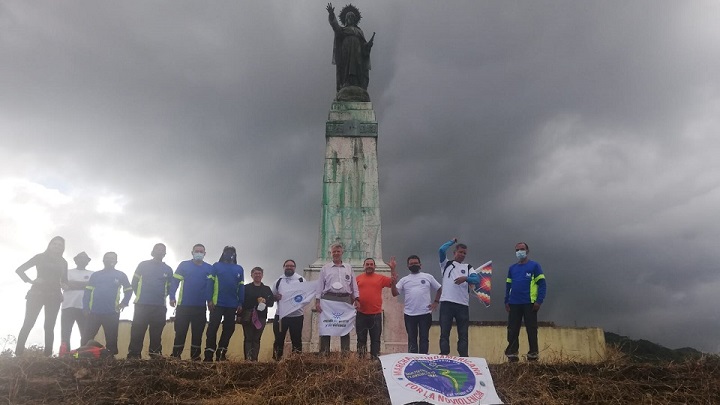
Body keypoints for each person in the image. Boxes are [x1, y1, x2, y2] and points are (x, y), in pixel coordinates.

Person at [15, 236, 68, 356]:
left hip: (54, 295)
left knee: (49, 326)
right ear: (50, 245)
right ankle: (18, 354)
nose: (57, 246)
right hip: (37, 294)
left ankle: (47, 355)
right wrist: (30, 281)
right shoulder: (40, 257)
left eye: (60, 245)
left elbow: (65, 280)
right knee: (28, 322)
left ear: (62, 248)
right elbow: (19, 270)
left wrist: (65, 285)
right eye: (55, 244)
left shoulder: (63, 262)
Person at [127, 243, 173, 359]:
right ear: (153, 251)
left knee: (156, 333)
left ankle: (155, 354)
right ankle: (134, 354)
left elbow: (169, 288)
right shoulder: (143, 265)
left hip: (159, 306)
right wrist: (141, 295)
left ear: (165, 253)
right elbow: (134, 282)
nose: (160, 251)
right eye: (157, 249)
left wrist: (159, 296)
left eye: (162, 250)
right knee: (137, 331)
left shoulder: (168, 269)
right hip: (141, 305)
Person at [169, 244, 213, 360]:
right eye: (196, 251)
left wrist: (210, 301)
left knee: (198, 334)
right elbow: (174, 282)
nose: (199, 253)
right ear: (192, 252)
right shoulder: (184, 265)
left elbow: (211, 287)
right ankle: (175, 357)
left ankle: (195, 358)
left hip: (200, 307)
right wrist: (172, 296)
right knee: (180, 332)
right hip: (183, 306)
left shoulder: (209, 268)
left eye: (201, 251)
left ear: (205, 254)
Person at [82, 252, 132, 355]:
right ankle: (82, 357)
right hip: (93, 312)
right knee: (86, 338)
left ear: (116, 261)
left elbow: (129, 290)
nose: (109, 260)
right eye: (107, 258)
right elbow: (87, 292)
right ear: (103, 260)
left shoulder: (121, 275)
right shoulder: (96, 275)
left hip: (112, 312)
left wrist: (124, 303)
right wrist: (86, 308)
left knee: (111, 339)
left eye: (112, 258)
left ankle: (110, 361)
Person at [504, 242, 547, 362]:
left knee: (531, 329)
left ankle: (533, 354)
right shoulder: (512, 268)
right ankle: (512, 354)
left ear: (527, 251)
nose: (519, 252)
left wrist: (539, 301)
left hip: (530, 303)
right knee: (512, 329)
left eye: (522, 249)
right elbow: (508, 285)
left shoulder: (534, 266)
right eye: (517, 250)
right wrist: (506, 301)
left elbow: (542, 285)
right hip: (514, 303)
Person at [315, 242, 359, 355]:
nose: (336, 253)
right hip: (328, 299)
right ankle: (324, 353)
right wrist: (317, 300)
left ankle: (345, 353)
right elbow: (320, 285)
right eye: (334, 251)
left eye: (338, 251)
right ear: (331, 253)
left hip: (345, 299)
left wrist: (357, 299)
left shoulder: (348, 268)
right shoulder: (325, 268)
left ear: (342, 253)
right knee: (327, 325)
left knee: (345, 325)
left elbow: (354, 285)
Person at [438, 238, 477, 357]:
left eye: (464, 253)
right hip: (447, 303)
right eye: (460, 252)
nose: (462, 255)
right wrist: (451, 241)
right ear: (454, 253)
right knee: (445, 331)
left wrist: (465, 278)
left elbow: (476, 279)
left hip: (462, 304)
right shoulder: (446, 264)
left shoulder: (468, 267)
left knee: (463, 332)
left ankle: (464, 355)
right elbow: (441, 250)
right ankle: (444, 353)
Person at [204, 246, 244, 362]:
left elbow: (241, 287)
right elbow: (209, 284)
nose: (229, 254)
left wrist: (240, 302)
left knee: (229, 329)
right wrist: (209, 300)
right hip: (216, 304)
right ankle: (208, 355)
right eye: (227, 252)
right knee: (212, 328)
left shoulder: (239, 269)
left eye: (232, 252)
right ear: (223, 253)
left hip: (232, 305)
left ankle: (221, 353)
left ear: (235, 255)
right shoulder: (216, 266)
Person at [396, 255, 442, 354]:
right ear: (408, 266)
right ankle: (413, 360)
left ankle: (423, 358)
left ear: (420, 265)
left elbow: (439, 289)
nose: (414, 265)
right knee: (412, 339)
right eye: (411, 264)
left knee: (424, 338)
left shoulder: (428, 277)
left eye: (416, 263)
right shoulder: (404, 280)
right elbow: (394, 293)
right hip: (409, 314)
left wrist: (436, 302)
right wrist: (392, 282)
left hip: (425, 313)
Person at [355, 257, 398, 359]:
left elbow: (392, 282)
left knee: (375, 339)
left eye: (371, 264)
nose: (369, 266)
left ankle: (375, 360)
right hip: (361, 314)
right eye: (367, 264)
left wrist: (392, 269)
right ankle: (361, 361)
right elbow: (353, 293)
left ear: (375, 266)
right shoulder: (358, 278)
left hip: (375, 314)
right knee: (361, 339)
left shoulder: (380, 278)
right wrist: (355, 301)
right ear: (364, 266)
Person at [326, 3, 375, 92]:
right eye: (348, 17)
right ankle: (346, 83)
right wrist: (331, 14)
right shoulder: (342, 30)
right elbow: (335, 27)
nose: (350, 19)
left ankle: (357, 83)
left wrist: (368, 46)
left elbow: (364, 47)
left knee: (358, 66)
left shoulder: (359, 31)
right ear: (345, 19)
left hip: (357, 51)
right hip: (346, 50)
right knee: (346, 66)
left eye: (352, 17)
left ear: (354, 20)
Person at [59, 251, 93, 356]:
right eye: (80, 258)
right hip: (67, 306)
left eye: (85, 258)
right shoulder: (67, 272)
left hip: (85, 307)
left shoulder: (93, 274)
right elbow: (63, 284)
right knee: (65, 333)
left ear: (88, 261)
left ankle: (82, 356)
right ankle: (65, 356)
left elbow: (92, 286)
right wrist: (84, 285)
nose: (82, 260)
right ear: (75, 260)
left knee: (85, 334)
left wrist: (73, 284)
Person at [271, 259, 305, 360]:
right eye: (287, 266)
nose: (289, 267)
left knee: (296, 339)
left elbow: (306, 295)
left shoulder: (301, 280)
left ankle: (296, 361)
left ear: (295, 268)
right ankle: (276, 360)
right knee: (278, 339)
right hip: (281, 316)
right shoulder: (278, 281)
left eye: (291, 266)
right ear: (284, 267)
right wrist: (276, 297)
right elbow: (272, 296)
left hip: (296, 315)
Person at [241, 267, 274, 361]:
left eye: (259, 273)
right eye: (255, 273)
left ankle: (254, 359)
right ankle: (247, 359)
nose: (257, 275)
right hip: (248, 315)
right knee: (248, 338)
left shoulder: (266, 289)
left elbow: (271, 303)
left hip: (261, 317)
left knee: (256, 339)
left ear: (262, 275)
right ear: (251, 275)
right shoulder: (246, 288)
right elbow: (241, 301)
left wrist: (265, 301)